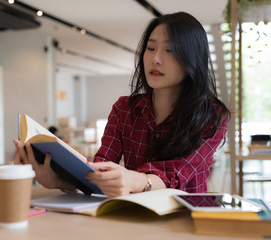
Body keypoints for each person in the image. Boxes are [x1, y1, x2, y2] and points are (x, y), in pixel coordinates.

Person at [13, 12, 230, 197]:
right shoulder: (124, 109)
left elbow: (178, 173)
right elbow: (98, 172)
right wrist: (56, 180)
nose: (155, 59)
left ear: (192, 59)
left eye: (169, 51)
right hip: (132, 220)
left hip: (186, 222)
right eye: (151, 48)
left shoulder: (213, 116)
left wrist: (135, 180)